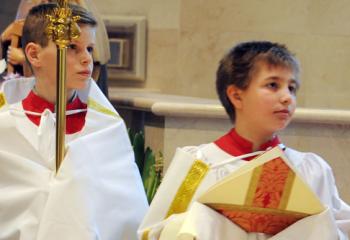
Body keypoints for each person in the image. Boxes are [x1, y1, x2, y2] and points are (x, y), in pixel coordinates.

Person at [138, 41, 350, 240]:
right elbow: (154, 232)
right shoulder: (199, 165)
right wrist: (208, 220)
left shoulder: (311, 170)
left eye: (292, 88)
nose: (287, 97)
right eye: (273, 85)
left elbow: (340, 228)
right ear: (236, 96)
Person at [0, 3, 148, 240]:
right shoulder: (5, 128)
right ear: (34, 54)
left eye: (89, 48)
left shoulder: (106, 129)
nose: (86, 59)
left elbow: (128, 217)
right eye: (71, 47)